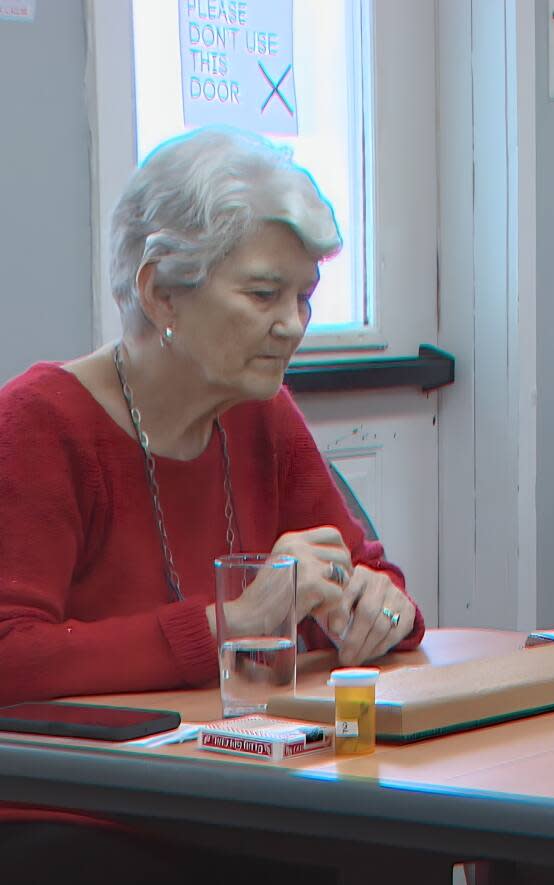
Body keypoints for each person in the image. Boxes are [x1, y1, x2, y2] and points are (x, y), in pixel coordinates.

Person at [0, 127, 425, 882]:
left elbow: (375, 577)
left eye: (304, 296)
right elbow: (10, 652)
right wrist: (227, 621)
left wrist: (378, 610)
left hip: (234, 790)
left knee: (402, 847)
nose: (294, 323)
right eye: (265, 294)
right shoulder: (39, 426)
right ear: (161, 290)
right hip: (76, 807)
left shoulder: (262, 411)